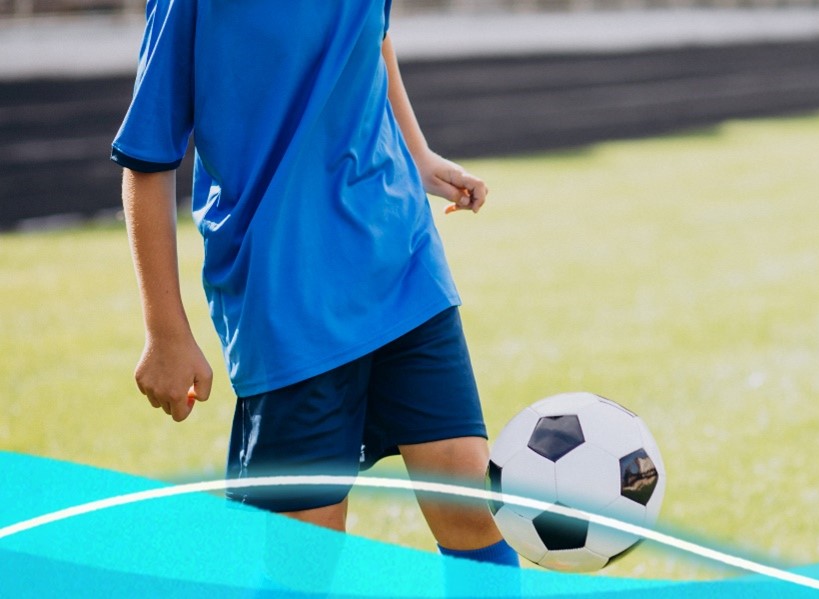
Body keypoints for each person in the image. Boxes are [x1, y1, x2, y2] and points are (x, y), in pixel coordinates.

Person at [112, 0, 517, 570]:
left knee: (471, 509)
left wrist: (417, 154)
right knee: (307, 556)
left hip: (401, 260)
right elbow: (146, 159)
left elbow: (372, 37)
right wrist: (165, 331)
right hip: (287, 295)